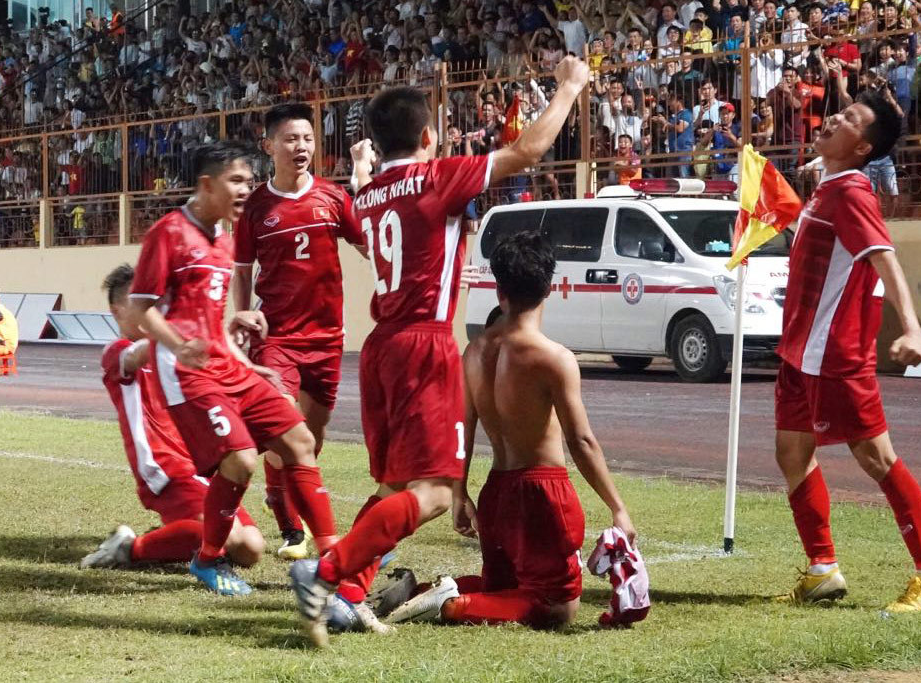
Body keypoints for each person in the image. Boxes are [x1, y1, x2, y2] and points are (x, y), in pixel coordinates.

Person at [289, 55, 593, 649]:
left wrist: (360, 169)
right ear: (428, 136)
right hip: (423, 343)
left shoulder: (370, 192)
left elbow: (369, 208)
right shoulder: (437, 177)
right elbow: (526, 152)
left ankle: (350, 592)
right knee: (431, 492)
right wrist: (569, 88)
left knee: (392, 488)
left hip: (377, 347)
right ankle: (324, 574)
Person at [381, 231, 636, 628]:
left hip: (495, 491)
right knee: (557, 605)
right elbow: (581, 440)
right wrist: (617, 506)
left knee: (500, 587)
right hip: (541, 491)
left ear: (499, 288)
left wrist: (458, 489)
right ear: (549, 287)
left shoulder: (475, 351)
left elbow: (461, 427)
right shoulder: (553, 357)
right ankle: (450, 602)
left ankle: (418, 591)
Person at [127, 142, 338, 598]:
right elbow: (141, 307)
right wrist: (178, 345)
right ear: (207, 184)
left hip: (227, 365)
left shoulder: (223, 242)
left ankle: (333, 557)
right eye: (237, 181)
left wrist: (250, 365)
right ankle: (206, 561)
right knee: (240, 459)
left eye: (249, 180)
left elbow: (213, 327)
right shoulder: (169, 233)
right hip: (185, 373)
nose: (247, 189)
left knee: (299, 439)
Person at [774, 92, 921, 613]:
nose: (833, 119)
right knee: (791, 454)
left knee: (876, 458)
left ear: (863, 148)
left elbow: (886, 261)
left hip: (835, 355)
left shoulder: (852, 192)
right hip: (799, 353)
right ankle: (823, 569)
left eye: (848, 120)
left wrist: (913, 330)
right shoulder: (828, 184)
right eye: (839, 112)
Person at [232, 103, 364, 561]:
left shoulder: (332, 196)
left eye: (307, 138)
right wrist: (242, 316)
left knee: (314, 437)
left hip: (328, 339)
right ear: (269, 146)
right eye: (291, 139)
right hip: (278, 338)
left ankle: (284, 499)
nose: (301, 147)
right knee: (284, 432)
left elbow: (369, 245)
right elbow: (242, 269)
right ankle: (291, 524)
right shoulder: (255, 208)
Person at [81, 265, 265, 571]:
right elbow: (142, 353)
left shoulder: (174, 354)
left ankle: (169, 540)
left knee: (250, 549)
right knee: (223, 539)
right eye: (141, 304)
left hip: (204, 465)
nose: (152, 312)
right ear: (117, 311)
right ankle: (130, 549)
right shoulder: (117, 353)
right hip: (166, 468)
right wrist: (205, 333)